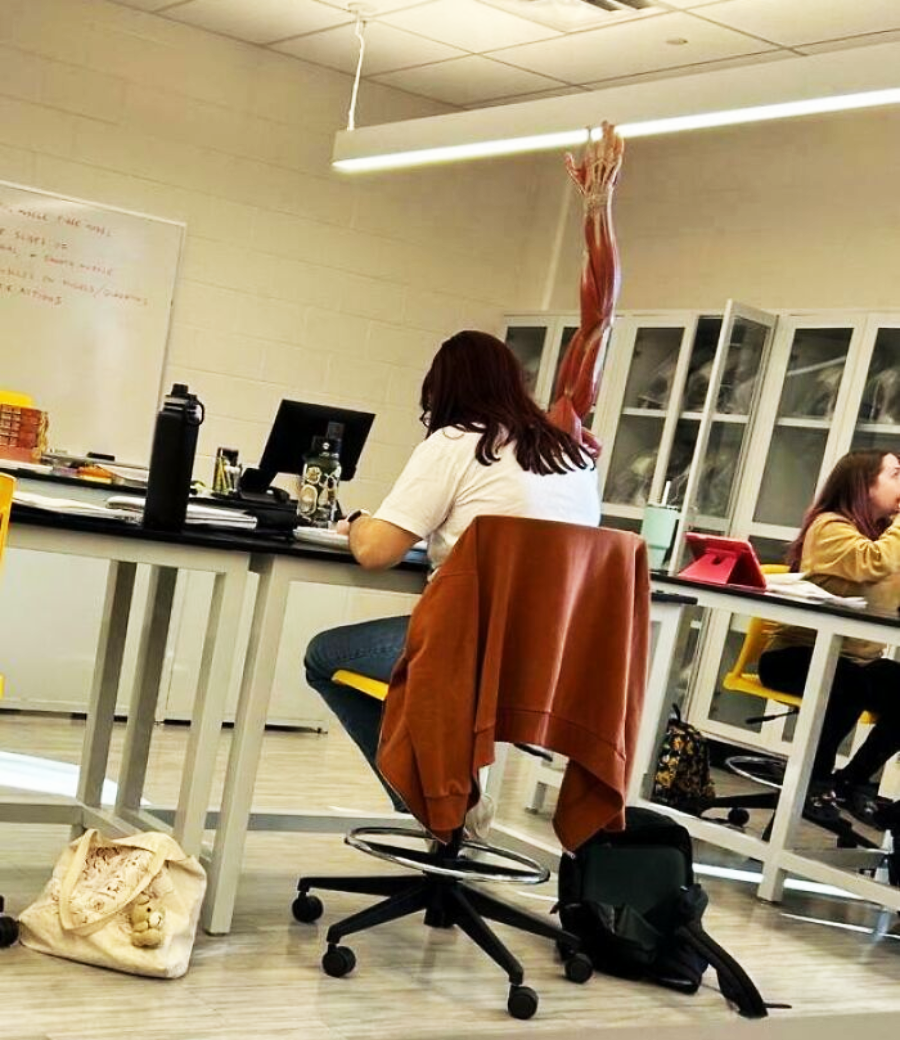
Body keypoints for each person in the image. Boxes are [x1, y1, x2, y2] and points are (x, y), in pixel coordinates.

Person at [303, 330, 601, 809]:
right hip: (555, 662)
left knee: (325, 654)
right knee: (421, 657)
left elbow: (378, 552)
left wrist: (358, 523)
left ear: (440, 393)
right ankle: (447, 797)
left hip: (471, 654)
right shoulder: (574, 454)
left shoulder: (457, 441)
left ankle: (429, 799)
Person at [758, 449, 900, 826]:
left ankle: (853, 781)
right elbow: (871, 563)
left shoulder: (887, 538)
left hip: (855, 662)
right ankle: (811, 784)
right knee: (848, 684)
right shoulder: (828, 527)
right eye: (896, 474)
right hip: (795, 655)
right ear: (863, 485)